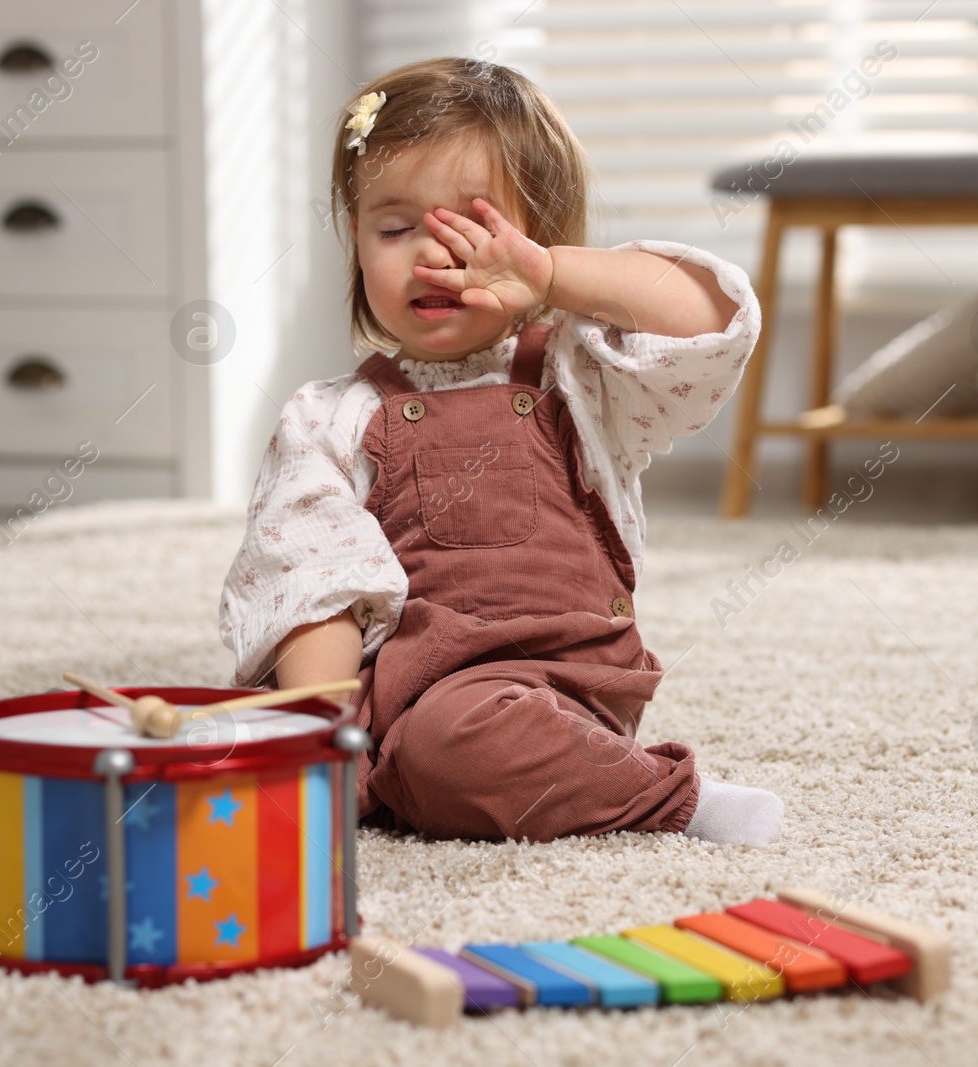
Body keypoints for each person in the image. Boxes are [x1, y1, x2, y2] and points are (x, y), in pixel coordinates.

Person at [219, 57, 782, 846]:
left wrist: (555, 277)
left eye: (473, 229)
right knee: (247, 738)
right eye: (393, 227)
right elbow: (310, 581)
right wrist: (322, 735)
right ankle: (387, 770)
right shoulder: (330, 415)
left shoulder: (582, 373)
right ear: (355, 240)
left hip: (566, 679)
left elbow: (713, 323)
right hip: (403, 696)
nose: (431, 254)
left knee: (451, 746)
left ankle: (668, 795)